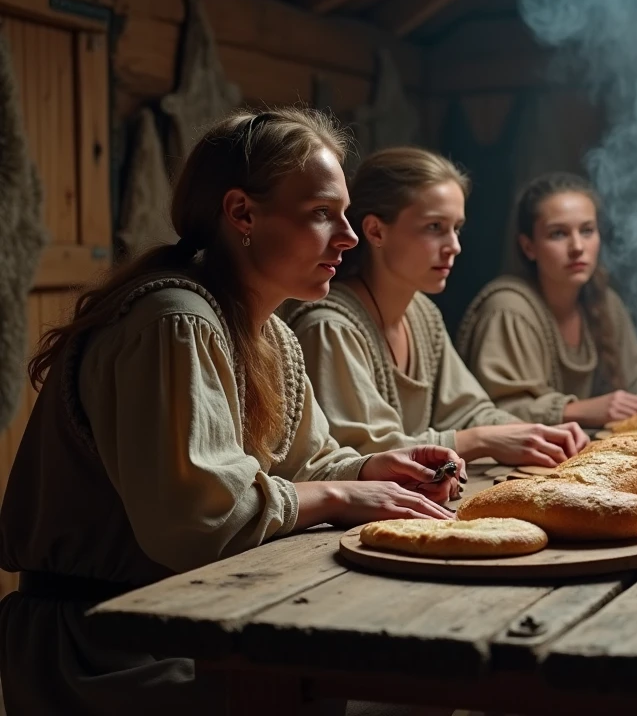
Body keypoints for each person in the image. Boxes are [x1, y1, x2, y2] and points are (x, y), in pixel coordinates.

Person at [0, 109, 460, 716]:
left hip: (191, 625)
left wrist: (370, 469)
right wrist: (343, 498)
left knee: (417, 680)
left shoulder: (266, 333)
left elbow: (309, 461)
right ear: (241, 212)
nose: (346, 237)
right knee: (403, 695)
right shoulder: (174, 321)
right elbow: (201, 520)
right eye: (322, 214)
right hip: (110, 649)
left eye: (345, 214)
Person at [283, 148, 588, 469]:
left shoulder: (422, 313)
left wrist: (534, 432)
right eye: (434, 227)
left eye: (456, 228)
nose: (454, 246)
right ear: (375, 231)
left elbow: (469, 411)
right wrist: (483, 440)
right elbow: (365, 450)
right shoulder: (330, 327)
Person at [457, 171, 637, 428]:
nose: (577, 246)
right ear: (528, 247)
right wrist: (581, 410)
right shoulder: (508, 309)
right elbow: (498, 411)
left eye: (587, 230)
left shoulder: (604, 301)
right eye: (558, 234)